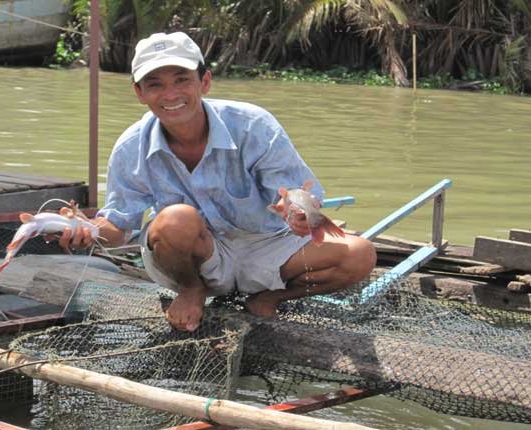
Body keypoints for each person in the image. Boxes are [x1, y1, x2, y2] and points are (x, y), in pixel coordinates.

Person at [61, 31, 376, 332]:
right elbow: (118, 227)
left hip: (266, 246)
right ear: (140, 93)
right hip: (194, 258)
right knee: (175, 219)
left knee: (360, 254)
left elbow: (294, 191)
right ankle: (191, 290)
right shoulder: (131, 146)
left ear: (205, 82)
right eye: (155, 84)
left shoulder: (254, 125)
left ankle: (269, 298)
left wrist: (296, 212)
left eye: (182, 80)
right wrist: (86, 229)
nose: (170, 95)